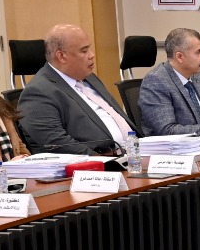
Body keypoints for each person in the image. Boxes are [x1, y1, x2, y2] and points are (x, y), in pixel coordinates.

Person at [18, 24, 135, 155]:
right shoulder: (38, 93)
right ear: (62, 56)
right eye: (84, 51)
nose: (92, 55)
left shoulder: (89, 78)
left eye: (89, 48)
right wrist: (108, 162)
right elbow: (57, 144)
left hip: (132, 154)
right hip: (98, 162)